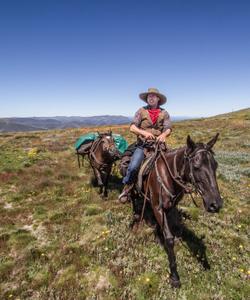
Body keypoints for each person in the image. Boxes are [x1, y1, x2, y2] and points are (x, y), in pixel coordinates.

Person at [119, 88, 172, 203]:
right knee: (133, 167)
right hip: (143, 145)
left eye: (153, 96)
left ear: (158, 99)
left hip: (159, 145)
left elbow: (168, 128)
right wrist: (144, 133)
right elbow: (132, 127)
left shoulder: (164, 113)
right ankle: (127, 187)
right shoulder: (141, 111)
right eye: (149, 96)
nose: (151, 98)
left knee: (173, 165)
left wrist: (163, 135)